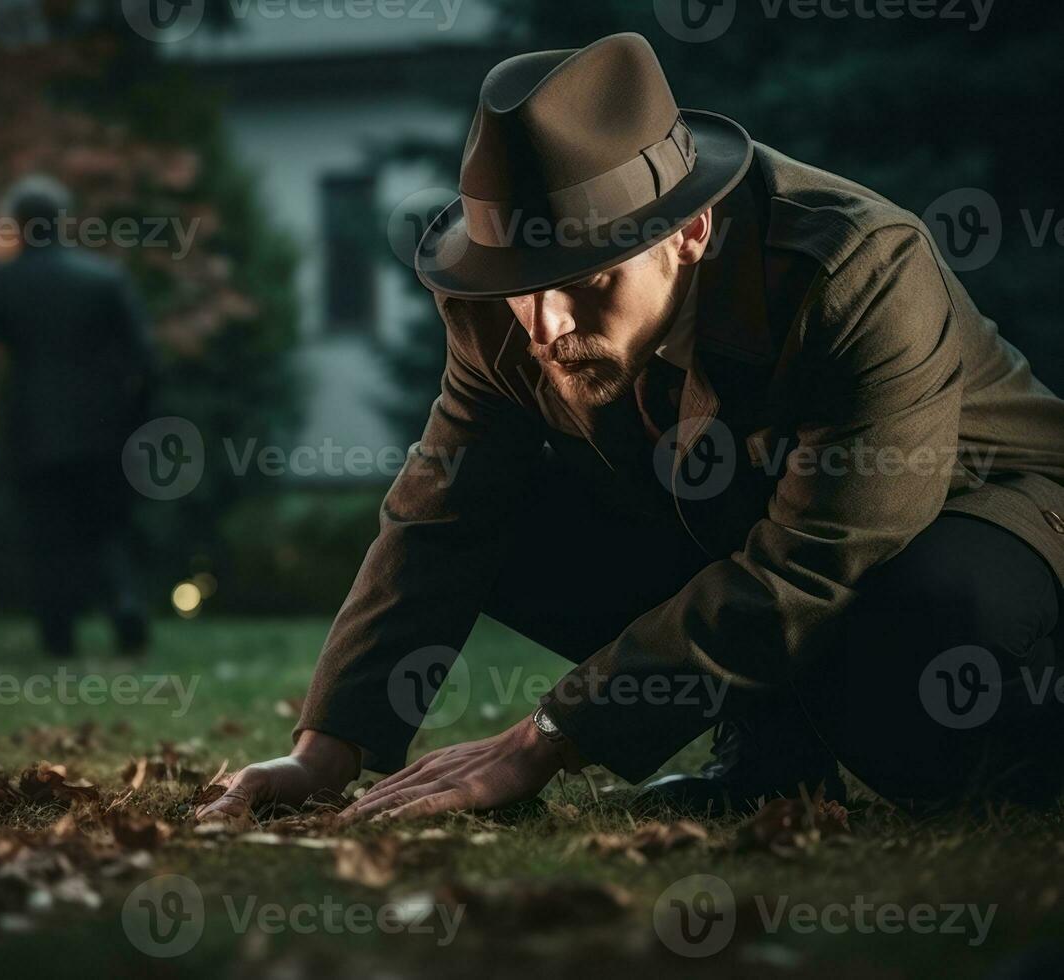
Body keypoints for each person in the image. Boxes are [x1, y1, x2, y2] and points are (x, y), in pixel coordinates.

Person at [199, 33, 1064, 820]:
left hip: (978, 511)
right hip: (757, 526)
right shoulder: (500, 308)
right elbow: (443, 513)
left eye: (582, 280)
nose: (541, 326)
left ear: (687, 232)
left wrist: (546, 738)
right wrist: (324, 752)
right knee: (507, 516)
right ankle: (768, 756)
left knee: (925, 670)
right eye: (519, 284)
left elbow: (821, 555)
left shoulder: (858, 269)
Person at [0, 176, 155, 657]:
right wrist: (136, 419)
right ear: (62, 220)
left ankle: (58, 635)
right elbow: (145, 361)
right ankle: (125, 603)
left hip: (33, 427)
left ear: (17, 224)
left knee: (47, 536)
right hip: (105, 427)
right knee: (106, 527)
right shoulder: (104, 279)